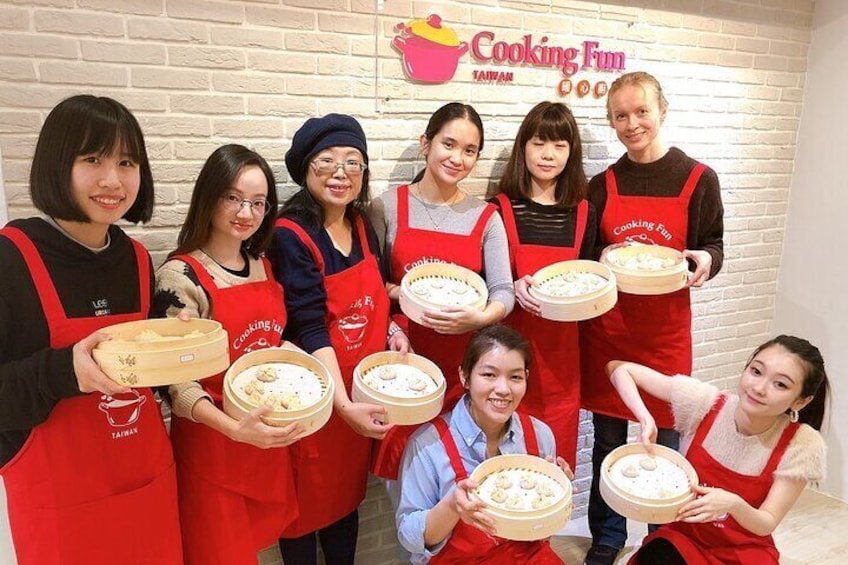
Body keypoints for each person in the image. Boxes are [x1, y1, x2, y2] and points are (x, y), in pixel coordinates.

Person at [0, 95, 182, 563]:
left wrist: (175, 344)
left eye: (126, 161)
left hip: (146, 484)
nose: (112, 180)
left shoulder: (138, 260)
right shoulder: (10, 259)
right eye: (92, 159)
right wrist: (65, 372)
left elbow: (149, 379)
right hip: (59, 505)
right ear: (57, 165)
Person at [580, 71, 725, 565]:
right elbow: (588, 253)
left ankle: (662, 539)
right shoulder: (603, 184)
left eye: (641, 111)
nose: (632, 123)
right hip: (609, 333)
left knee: (664, 445)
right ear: (611, 122)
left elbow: (713, 244)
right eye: (620, 115)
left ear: (662, 109)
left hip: (665, 336)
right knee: (607, 442)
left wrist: (706, 260)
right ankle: (606, 536)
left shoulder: (698, 178)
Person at [271, 114, 410, 564]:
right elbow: (308, 325)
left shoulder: (361, 224)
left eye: (353, 162)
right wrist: (342, 405)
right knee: (303, 513)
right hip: (317, 399)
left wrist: (391, 327)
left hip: (358, 394)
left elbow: (376, 292)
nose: (341, 173)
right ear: (305, 168)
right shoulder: (290, 234)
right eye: (326, 161)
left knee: (344, 504)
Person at [152, 144, 300, 564]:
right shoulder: (180, 275)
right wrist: (233, 429)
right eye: (232, 198)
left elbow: (270, 342)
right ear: (209, 197)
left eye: (257, 202)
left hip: (261, 442)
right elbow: (173, 381)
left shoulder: (263, 265)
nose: (245, 213)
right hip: (213, 446)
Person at [368, 102, 514, 480]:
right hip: (403, 360)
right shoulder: (388, 207)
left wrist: (480, 317)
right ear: (426, 144)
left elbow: (503, 291)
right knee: (405, 478)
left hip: (463, 368)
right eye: (448, 144)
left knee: (458, 478)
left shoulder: (485, 217)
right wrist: (397, 310)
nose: (457, 158)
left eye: (469, 151)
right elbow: (370, 287)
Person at [608, 335, 828, 565]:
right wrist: (645, 418)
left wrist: (734, 504)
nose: (759, 388)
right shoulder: (704, 403)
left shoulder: (803, 444)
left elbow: (767, 522)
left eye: (780, 384)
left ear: (801, 401)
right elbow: (619, 369)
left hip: (744, 548)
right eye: (756, 371)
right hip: (684, 537)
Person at [396, 325, 573, 564]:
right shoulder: (428, 445)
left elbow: (541, 530)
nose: (503, 389)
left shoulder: (540, 435)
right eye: (489, 375)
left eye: (515, 377)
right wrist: (453, 506)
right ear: (465, 377)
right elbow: (410, 538)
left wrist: (556, 499)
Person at [487, 101, 596, 470]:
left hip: (562, 360)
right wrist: (508, 285)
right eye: (538, 143)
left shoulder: (584, 211)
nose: (548, 154)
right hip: (505, 357)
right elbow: (484, 284)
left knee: (551, 463)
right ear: (523, 148)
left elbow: (593, 281)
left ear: (572, 152)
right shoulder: (498, 209)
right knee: (500, 464)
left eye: (559, 145)